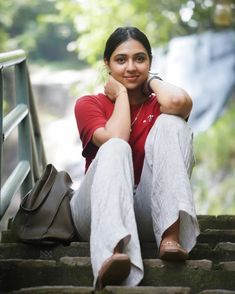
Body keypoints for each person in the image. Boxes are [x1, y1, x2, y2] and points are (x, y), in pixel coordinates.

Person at [70, 26, 200, 290]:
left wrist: (151, 80)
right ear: (107, 64)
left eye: (139, 59)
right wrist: (120, 96)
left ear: (150, 62)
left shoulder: (158, 103)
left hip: (147, 212)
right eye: (121, 60)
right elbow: (117, 137)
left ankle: (170, 236)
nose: (131, 67)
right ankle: (111, 251)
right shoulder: (89, 104)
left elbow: (177, 101)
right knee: (116, 148)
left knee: (172, 123)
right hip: (95, 213)